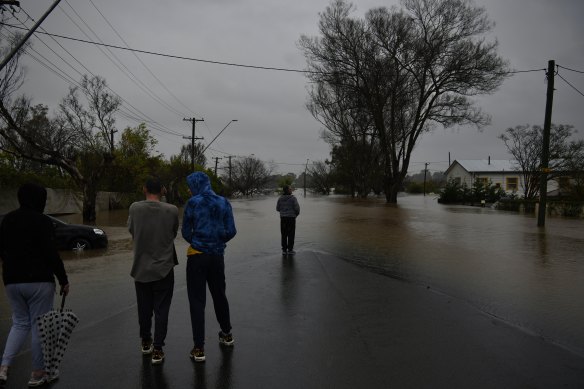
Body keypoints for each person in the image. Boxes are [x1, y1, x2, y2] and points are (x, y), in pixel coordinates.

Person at [0, 183, 70, 387]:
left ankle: (4, 367)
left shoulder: (7, 220)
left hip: (12, 281)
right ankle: (38, 373)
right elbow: (52, 254)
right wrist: (63, 280)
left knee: (20, 323)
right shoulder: (43, 221)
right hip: (39, 281)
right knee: (40, 327)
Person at [182, 172, 236, 362]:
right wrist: (217, 240)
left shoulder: (193, 203)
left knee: (197, 301)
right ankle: (227, 334)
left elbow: (185, 232)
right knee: (219, 294)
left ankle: (199, 348)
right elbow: (231, 231)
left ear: (195, 185)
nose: (188, 190)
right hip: (217, 257)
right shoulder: (223, 202)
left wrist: (198, 241)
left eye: (189, 186)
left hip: (197, 257)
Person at [128, 178, 179, 365]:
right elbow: (173, 233)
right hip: (164, 268)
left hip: (141, 268)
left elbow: (131, 230)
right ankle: (158, 349)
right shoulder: (172, 210)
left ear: (144, 189)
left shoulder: (134, 208)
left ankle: (145, 341)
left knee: (144, 308)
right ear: (163, 189)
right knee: (161, 309)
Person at [276, 185, 300, 255]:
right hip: (291, 219)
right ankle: (290, 250)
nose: (291, 189)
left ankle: (284, 250)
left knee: (284, 234)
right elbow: (297, 209)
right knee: (291, 234)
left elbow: (277, 209)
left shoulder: (280, 198)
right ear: (287, 190)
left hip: (283, 219)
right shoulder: (293, 199)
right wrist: (295, 215)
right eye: (290, 189)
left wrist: (283, 211)